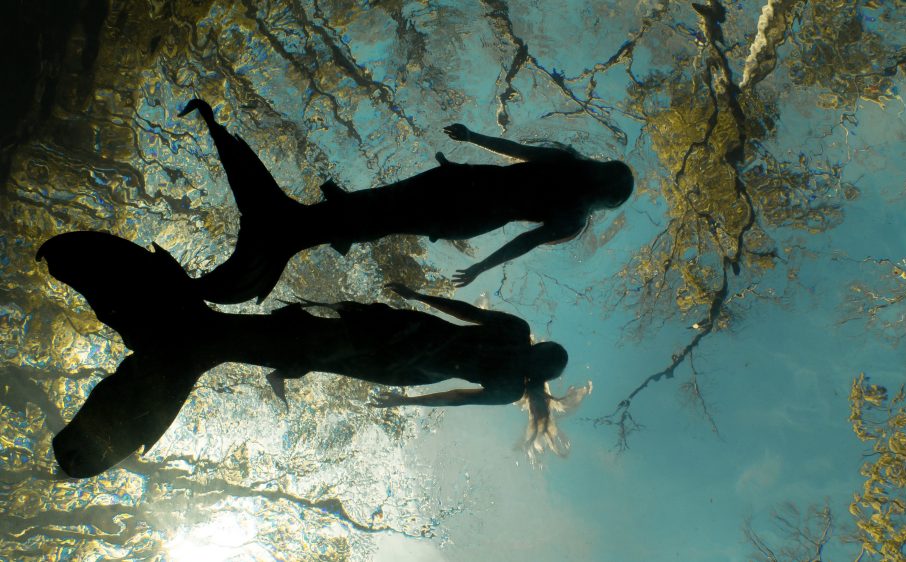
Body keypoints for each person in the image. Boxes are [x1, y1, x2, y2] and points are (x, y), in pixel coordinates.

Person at [36, 231, 588, 477]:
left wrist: (404, 399)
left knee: (304, 343)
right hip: (391, 341)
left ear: (541, 364)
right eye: (542, 352)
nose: (535, 353)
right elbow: (461, 326)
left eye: (542, 356)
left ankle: (193, 340)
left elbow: (455, 392)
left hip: (391, 354)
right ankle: (195, 339)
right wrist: (417, 298)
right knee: (301, 338)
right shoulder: (512, 348)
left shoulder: (509, 375)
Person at [179, 99, 634, 304]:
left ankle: (291, 228)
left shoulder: (567, 173)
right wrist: (480, 267)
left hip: (464, 191)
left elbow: (518, 156)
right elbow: (523, 239)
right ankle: (291, 230)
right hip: (466, 204)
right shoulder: (573, 214)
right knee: (382, 213)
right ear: (606, 201)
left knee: (383, 208)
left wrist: (473, 137)